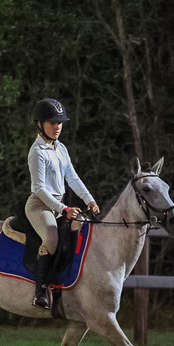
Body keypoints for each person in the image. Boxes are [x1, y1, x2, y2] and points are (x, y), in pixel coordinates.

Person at [26, 98, 100, 310]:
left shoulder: (61, 148)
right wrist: (64, 209)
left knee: (83, 226)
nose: (57, 127)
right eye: (52, 123)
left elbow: (73, 178)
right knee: (50, 238)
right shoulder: (37, 152)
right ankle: (40, 291)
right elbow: (38, 189)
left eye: (59, 122)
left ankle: (71, 281)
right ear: (40, 124)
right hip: (40, 205)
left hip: (58, 205)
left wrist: (89, 199)